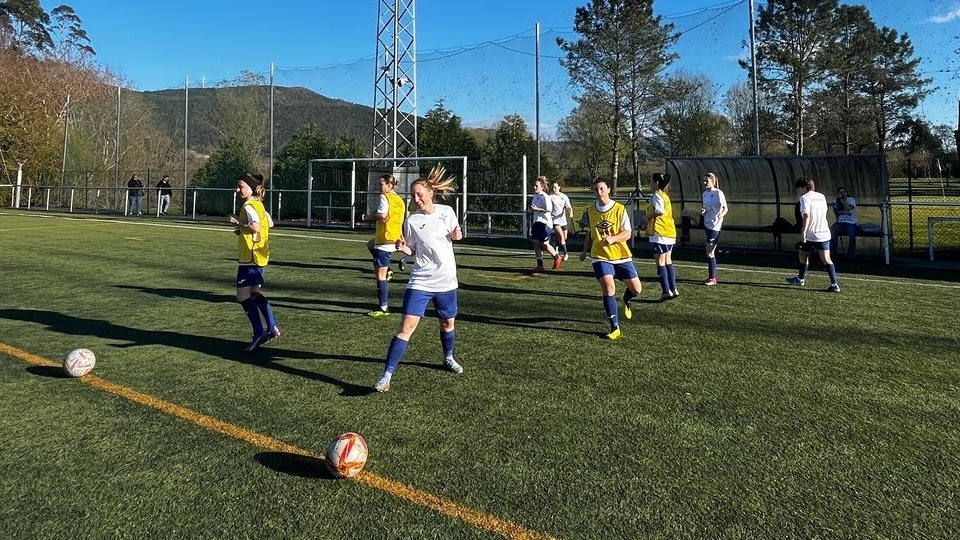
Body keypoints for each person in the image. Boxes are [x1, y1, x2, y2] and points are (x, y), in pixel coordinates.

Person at [373, 166, 464, 392]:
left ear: (431, 192)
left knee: (447, 323)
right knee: (406, 328)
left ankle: (449, 357)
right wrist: (404, 249)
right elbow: (413, 250)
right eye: (413, 195)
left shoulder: (447, 211)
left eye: (419, 194)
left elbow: (456, 233)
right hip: (421, 281)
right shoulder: (412, 220)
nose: (416, 199)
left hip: (446, 281)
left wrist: (457, 235)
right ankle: (386, 376)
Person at [579, 178, 642, 341]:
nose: (599, 192)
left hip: (621, 255)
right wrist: (585, 250)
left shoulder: (620, 209)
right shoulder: (591, 211)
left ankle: (626, 298)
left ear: (608, 190)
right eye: (595, 190)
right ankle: (615, 327)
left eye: (601, 189)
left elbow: (628, 233)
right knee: (608, 288)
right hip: (600, 256)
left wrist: (613, 239)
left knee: (637, 289)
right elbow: (590, 233)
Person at [228, 173, 281, 351]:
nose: (238, 190)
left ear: (251, 188)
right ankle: (271, 327)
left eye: (241, 186)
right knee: (253, 293)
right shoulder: (260, 205)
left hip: (250, 258)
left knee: (242, 295)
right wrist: (243, 230)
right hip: (260, 256)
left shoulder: (249, 206)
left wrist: (239, 223)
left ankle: (259, 332)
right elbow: (270, 224)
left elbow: (256, 227)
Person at [785, 176, 841, 293]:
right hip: (824, 232)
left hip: (811, 233)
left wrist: (804, 231)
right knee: (826, 259)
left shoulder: (804, 198)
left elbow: (806, 215)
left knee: (803, 254)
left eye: (799, 188)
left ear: (805, 187)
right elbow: (824, 211)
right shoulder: (821, 196)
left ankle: (800, 279)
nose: (798, 191)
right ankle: (834, 284)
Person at [364, 174, 406, 317]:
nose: (379, 187)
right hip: (394, 238)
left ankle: (383, 308)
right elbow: (399, 220)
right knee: (370, 244)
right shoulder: (399, 200)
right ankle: (388, 270)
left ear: (389, 185)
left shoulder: (385, 197)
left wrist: (368, 217)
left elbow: (382, 215)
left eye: (381, 184)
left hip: (385, 239)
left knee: (380, 276)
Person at [646, 173, 678, 300]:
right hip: (669, 232)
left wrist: (646, 217)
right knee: (667, 261)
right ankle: (673, 289)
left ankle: (666, 291)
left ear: (656, 183)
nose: (650, 184)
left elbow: (659, 211)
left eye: (651, 181)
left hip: (660, 232)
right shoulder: (665, 196)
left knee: (660, 262)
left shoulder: (657, 195)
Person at [529, 176, 562, 273]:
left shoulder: (545, 196)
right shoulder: (535, 196)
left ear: (542, 186)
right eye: (534, 186)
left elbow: (549, 210)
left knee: (544, 244)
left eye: (536, 186)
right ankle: (540, 265)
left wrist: (537, 209)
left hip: (545, 223)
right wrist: (530, 210)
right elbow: (534, 209)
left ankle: (557, 257)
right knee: (535, 242)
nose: (534, 187)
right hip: (536, 222)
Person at [700, 172, 728, 285]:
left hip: (715, 225)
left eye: (707, 180)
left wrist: (721, 214)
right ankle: (711, 277)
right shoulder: (705, 194)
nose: (705, 183)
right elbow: (706, 207)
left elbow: (725, 208)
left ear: (713, 181)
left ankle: (712, 278)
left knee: (710, 252)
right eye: (704, 180)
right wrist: (704, 211)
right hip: (707, 223)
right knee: (709, 253)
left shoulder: (718, 193)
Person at [549, 181, 574, 261]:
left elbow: (569, 207)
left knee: (564, 237)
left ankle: (556, 246)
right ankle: (565, 254)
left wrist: (570, 212)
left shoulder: (564, 196)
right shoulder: (550, 197)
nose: (554, 189)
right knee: (562, 237)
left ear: (559, 187)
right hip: (554, 220)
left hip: (563, 220)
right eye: (552, 187)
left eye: (555, 187)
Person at [831, 186, 857, 257]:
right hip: (840, 223)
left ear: (847, 192)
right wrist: (843, 211)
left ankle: (851, 255)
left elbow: (848, 208)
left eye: (844, 192)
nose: (843, 194)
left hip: (851, 223)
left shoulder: (851, 200)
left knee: (852, 235)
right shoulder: (835, 201)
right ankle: (833, 254)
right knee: (833, 231)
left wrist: (841, 201)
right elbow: (836, 212)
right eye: (841, 192)